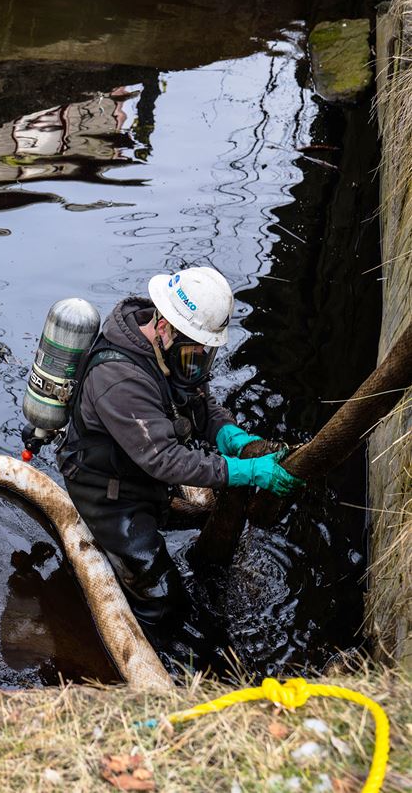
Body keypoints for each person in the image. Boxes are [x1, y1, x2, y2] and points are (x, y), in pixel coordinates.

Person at [56, 267, 301, 665]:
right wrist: (242, 471)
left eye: (206, 355)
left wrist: (230, 435)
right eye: (194, 356)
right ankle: (149, 663)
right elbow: (164, 459)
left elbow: (200, 403)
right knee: (162, 600)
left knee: (196, 525)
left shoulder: (172, 353)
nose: (199, 366)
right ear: (164, 327)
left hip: (141, 476)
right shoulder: (119, 378)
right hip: (107, 492)